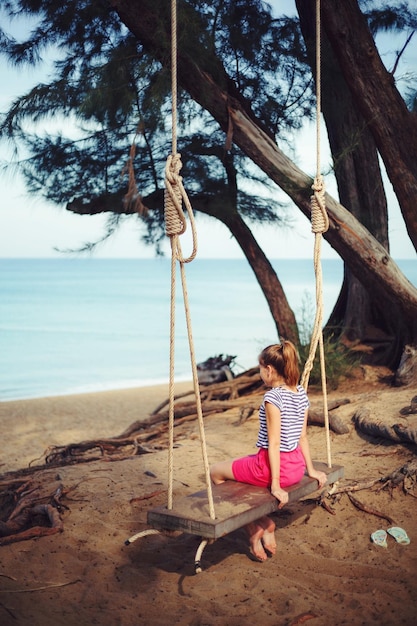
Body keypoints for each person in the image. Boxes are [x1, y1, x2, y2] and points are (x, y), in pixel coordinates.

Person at [210, 340, 327, 562]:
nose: (260, 374)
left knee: (216, 471)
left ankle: (254, 529)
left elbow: (273, 444)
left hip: (273, 468)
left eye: (261, 369)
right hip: (295, 466)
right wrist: (310, 470)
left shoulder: (272, 398)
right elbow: (302, 436)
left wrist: (275, 484)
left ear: (270, 370)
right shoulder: (300, 392)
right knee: (241, 464)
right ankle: (263, 522)